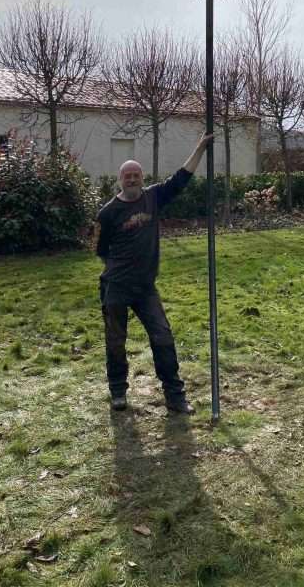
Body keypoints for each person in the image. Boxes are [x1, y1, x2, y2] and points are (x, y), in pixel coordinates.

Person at [96, 133, 213, 413]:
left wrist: (199, 148)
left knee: (162, 337)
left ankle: (175, 396)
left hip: (146, 288)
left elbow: (181, 178)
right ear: (120, 180)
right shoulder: (108, 213)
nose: (133, 179)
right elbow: (100, 249)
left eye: (136, 175)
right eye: (128, 176)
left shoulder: (154, 197)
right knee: (115, 341)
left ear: (142, 177)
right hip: (116, 286)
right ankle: (117, 392)